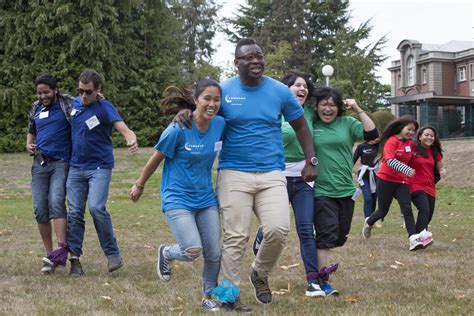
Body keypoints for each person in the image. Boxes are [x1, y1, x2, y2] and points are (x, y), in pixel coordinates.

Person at [175, 38, 317, 312]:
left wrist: (311, 160)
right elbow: (205, 110)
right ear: (236, 63)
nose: (255, 60)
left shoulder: (279, 91)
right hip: (234, 173)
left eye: (259, 56)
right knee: (236, 236)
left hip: (271, 173)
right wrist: (186, 113)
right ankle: (228, 295)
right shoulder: (225, 90)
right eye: (248, 57)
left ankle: (259, 273)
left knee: (278, 229)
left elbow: (300, 126)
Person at [130, 79, 225, 312]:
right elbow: (155, 159)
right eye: (207, 99)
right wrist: (139, 185)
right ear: (196, 100)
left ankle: (207, 296)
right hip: (177, 197)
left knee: (213, 251)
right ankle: (167, 252)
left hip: (205, 198)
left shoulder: (221, 124)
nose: (212, 104)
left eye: (216, 99)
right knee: (193, 250)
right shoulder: (178, 129)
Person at [252, 71, 326, 297]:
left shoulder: (311, 114)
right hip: (277, 179)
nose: (302, 89)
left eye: (305, 86)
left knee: (306, 230)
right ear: (285, 89)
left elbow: (331, 111)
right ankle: (264, 232)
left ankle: (313, 282)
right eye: (297, 85)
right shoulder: (274, 111)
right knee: (277, 227)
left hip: (305, 180)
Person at [66, 69, 138, 276]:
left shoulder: (105, 107)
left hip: (99, 167)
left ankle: (113, 254)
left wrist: (130, 139)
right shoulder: (74, 104)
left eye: (88, 92)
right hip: (76, 167)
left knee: (96, 207)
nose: (83, 96)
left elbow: (124, 128)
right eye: (80, 91)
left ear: (98, 90)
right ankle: (75, 261)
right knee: (74, 213)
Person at [311, 87, 378, 295]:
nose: (328, 108)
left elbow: (372, 134)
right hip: (321, 190)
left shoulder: (347, 124)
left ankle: (313, 252)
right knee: (326, 236)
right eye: (324, 104)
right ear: (317, 106)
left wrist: (357, 108)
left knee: (339, 238)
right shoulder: (312, 124)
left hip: (346, 191)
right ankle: (322, 281)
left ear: (339, 107)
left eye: (332, 104)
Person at [26, 74, 72, 273]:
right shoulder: (35, 108)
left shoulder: (66, 103)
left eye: (46, 92)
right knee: (39, 208)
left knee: (55, 201)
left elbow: (87, 101)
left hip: (60, 163)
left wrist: (99, 97)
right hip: (39, 164)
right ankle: (50, 256)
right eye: (39, 93)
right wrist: (28, 143)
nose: (42, 96)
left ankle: (61, 251)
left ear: (55, 90)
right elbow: (31, 129)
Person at [362, 116, 423, 251]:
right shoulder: (392, 141)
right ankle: (369, 222)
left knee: (406, 208)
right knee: (383, 211)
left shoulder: (410, 144)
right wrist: (407, 170)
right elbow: (389, 160)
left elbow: (416, 156)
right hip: (385, 179)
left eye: (414, 131)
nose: (411, 133)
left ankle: (413, 238)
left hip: (402, 181)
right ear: (401, 128)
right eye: (409, 129)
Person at [409, 126, 447, 248]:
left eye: (432, 135)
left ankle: (415, 237)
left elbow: (440, 166)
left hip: (430, 186)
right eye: (426, 134)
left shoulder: (434, 151)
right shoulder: (412, 148)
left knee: (428, 215)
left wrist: (442, 170)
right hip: (414, 185)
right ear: (420, 136)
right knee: (424, 209)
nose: (429, 137)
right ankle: (418, 239)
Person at [353, 138, 380, 220]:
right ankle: (367, 220)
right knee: (368, 198)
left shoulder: (379, 146)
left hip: (375, 175)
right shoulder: (361, 146)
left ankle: (372, 219)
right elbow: (353, 160)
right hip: (364, 175)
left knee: (374, 198)